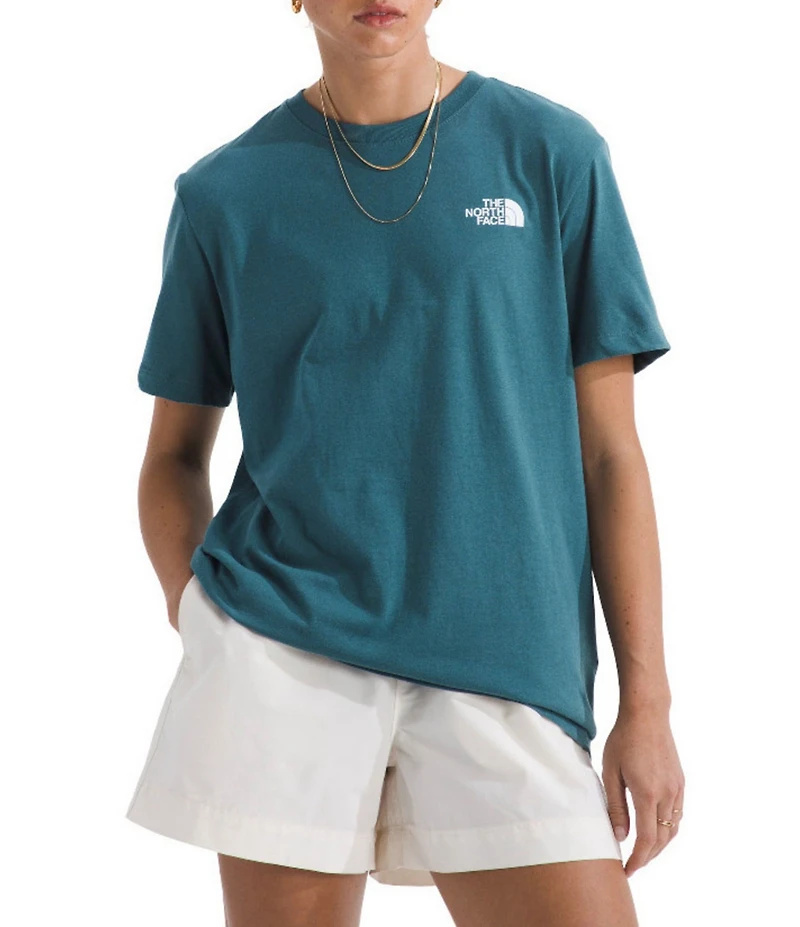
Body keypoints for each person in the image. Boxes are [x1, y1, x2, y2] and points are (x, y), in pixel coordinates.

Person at [125, 1, 685, 924]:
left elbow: (612, 456)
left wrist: (648, 703)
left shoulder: (551, 154)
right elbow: (173, 456)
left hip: (506, 654)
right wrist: (199, 611)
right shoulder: (224, 193)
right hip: (285, 648)